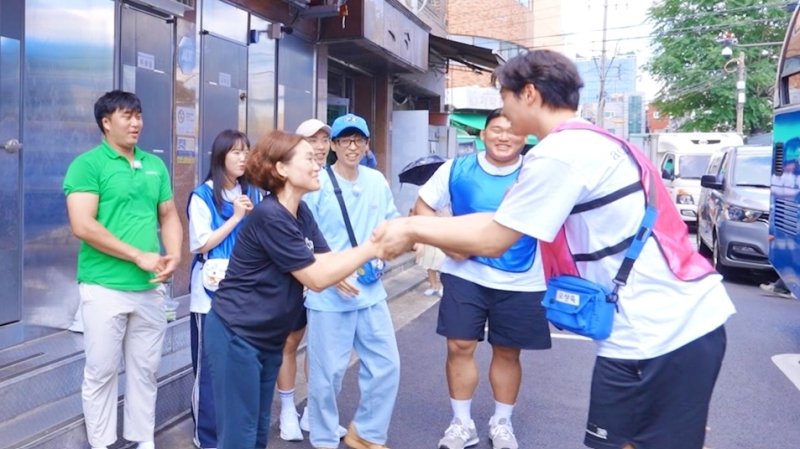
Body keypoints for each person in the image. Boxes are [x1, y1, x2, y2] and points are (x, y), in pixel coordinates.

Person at [373, 50, 735, 449]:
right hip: (654, 330)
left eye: (505, 98)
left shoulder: (559, 155)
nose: (504, 114)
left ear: (528, 94)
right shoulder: (590, 141)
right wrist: (416, 226)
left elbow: (494, 238)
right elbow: (501, 224)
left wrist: (410, 227)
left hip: (664, 333)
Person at [203, 130, 380, 449]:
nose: (317, 165)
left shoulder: (300, 212)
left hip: (266, 338)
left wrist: (386, 247)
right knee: (238, 438)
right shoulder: (270, 215)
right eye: (309, 159)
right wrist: (374, 247)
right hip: (236, 335)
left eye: (318, 158)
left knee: (256, 434)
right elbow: (316, 277)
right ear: (281, 169)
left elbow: (328, 261)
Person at [415, 108, 551, 449]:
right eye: (497, 130)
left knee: (507, 352)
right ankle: (462, 423)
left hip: (521, 278)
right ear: (482, 135)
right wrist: (447, 238)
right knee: (459, 346)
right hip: (466, 275)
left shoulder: (538, 173)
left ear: (525, 137)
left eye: (512, 130)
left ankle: (502, 423)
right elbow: (422, 206)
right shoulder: (456, 168)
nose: (504, 136)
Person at [63, 90, 183, 449]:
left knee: (146, 372)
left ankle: (142, 440)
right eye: (127, 116)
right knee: (101, 372)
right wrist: (137, 255)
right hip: (104, 286)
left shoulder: (154, 164)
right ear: (105, 122)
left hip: (149, 288)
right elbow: (82, 225)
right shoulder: (88, 165)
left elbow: (169, 214)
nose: (136, 123)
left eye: (138, 115)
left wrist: (174, 253)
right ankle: (102, 444)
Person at [303, 113, 400, 449]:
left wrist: (382, 256)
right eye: (345, 140)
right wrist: (331, 272)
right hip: (330, 293)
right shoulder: (317, 184)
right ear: (333, 145)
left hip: (371, 292)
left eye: (359, 140)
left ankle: (368, 433)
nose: (352, 146)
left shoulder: (377, 181)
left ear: (367, 145)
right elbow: (304, 239)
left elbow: (392, 226)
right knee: (326, 376)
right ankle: (324, 438)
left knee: (387, 366)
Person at [275, 118, 346, 442]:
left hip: (326, 275)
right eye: (311, 141)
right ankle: (288, 410)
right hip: (297, 279)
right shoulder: (288, 188)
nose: (319, 147)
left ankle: (314, 411)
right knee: (289, 344)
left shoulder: (330, 178)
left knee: (320, 349)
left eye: (323, 140)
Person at [187, 129, 258, 449]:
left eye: (246, 151)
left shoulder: (254, 192)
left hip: (246, 294)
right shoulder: (202, 195)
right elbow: (201, 244)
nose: (243, 157)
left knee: (241, 369)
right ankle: (207, 438)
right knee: (210, 370)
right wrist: (236, 217)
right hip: (210, 296)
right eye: (236, 152)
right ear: (220, 157)